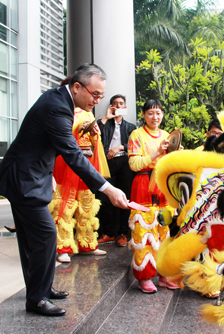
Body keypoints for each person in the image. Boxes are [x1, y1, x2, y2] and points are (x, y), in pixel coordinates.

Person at [0, 64, 128, 317]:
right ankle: (37, 299)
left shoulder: (60, 101)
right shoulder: (57, 106)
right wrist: (108, 189)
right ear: (77, 87)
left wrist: (49, 175)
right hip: (23, 180)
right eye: (95, 94)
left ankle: (40, 288)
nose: (97, 101)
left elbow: (46, 145)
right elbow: (72, 154)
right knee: (46, 235)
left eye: (101, 95)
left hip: (30, 176)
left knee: (30, 239)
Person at [50, 75, 109, 263]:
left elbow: (96, 140)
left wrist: (93, 133)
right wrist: (78, 128)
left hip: (86, 160)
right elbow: (61, 136)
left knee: (86, 203)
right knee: (64, 204)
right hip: (65, 162)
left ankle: (87, 244)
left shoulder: (88, 112)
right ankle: (63, 247)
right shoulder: (62, 109)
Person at [128, 99, 180, 294]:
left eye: (158, 113)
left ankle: (164, 275)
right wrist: (158, 151)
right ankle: (145, 277)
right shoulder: (137, 135)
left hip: (163, 185)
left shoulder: (167, 135)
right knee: (144, 231)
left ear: (162, 114)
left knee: (164, 230)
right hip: (143, 184)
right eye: (150, 113)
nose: (154, 117)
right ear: (143, 115)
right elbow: (134, 164)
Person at [96, 94, 137, 247]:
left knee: (125, 198)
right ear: (111, 107)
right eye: (115, 103)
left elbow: (134, 146)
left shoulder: (131, 127)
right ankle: (108, 232)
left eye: (121, 103)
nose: (118, 106)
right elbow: (95, 135)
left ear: (125, 107)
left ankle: (123, 233)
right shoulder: (105, 124)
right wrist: (106, 117)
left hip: (125, 163)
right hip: (107, 163)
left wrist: (119, 147)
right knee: (104, 197)